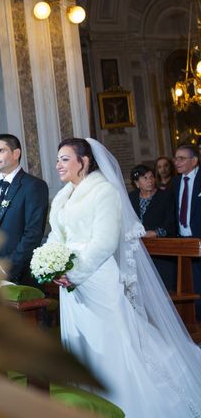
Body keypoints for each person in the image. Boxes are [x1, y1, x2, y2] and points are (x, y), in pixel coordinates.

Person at [48, 137, 201, 418]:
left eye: (65, 159)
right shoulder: (62, 196)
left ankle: (124, 402)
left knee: (110, 342)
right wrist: (50, 265)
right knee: (81, 344)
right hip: (69, 284)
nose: (58, 164)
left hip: (95, 278)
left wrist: (74, 272)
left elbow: (104, 241)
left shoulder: (104, 191)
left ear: (84, 162)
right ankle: (90, 404)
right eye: (57, 159)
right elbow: (56, 236)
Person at [0, 134, 48, 285]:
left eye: (0, 151)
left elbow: (33, 233)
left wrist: (7, 268)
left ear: (16, 153)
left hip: (20, 273)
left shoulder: (33, 186)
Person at [128, 164, 176, 289]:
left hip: (162, 251)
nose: (150, 181)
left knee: (164, 287)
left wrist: (155, 233)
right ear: (137, 183)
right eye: (145, 178)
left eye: (151, 177)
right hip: (139, 252)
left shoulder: (165, 196)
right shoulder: (131, 197)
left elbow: (171, 222)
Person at [173, 144, 201, 317]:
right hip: (183, 241)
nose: (177, 162)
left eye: (182, 158)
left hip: (199, 238)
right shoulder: (176, 182)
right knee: (191, 285)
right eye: (176, 158)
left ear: (194, 161)